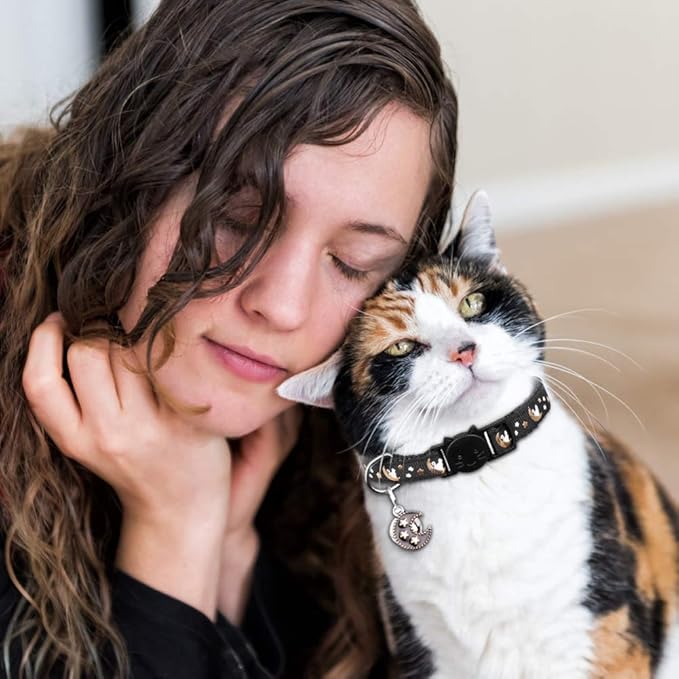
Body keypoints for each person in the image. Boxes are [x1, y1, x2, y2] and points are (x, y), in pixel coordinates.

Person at [0, 1, 458, 677]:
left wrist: (228, 554)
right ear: (125, 178)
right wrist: (176, 528)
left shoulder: (338, 436)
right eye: (239, 218)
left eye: (352, 263)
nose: (282, 306)